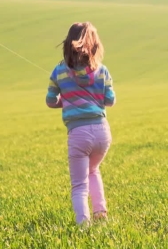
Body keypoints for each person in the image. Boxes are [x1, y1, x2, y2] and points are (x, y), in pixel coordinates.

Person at [46, 22, 116, 226]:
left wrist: (66, 101)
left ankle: (83, 224)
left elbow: (50, 101)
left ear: (67, 44)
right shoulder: (103, 71)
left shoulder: (59, 71)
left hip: (78, 133)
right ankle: (100, 214)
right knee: (93, 171)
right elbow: (110, 101)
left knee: (78, 184)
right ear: (95, 45)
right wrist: (94, 96)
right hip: (102, 131)